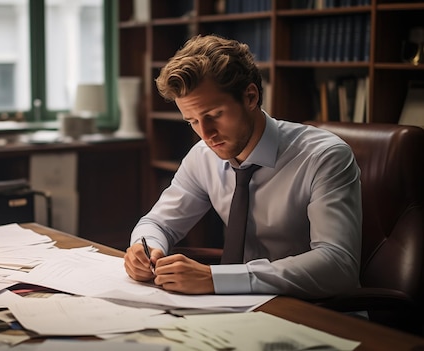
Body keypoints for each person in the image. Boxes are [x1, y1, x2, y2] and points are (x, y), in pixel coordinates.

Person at [123, 34, 362, 300]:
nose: (206, 134)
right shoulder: (203, 156)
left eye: (214, 116)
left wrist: (216, 279)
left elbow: (338, 264)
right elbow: (158, 223)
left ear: (250, 97)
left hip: (312, 309)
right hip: (234, 309)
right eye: (192, 121)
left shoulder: (324, 157)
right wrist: (146, 249)